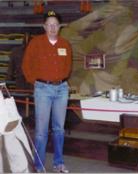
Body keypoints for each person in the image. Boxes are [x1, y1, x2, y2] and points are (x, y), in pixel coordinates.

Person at [22, 10, 72, 173]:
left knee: (59, 129)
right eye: (49, 25)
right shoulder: (35, 43)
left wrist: (62, 80)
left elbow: (68, 66)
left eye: (55, 25)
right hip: (43, 89)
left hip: (62, 90)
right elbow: (26, 65)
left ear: (60, 27)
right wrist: (35, 81)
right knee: (41, 131)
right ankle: (39, 165)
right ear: (44, 26)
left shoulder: (65, 44)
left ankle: (58, 163)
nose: (52, 28)